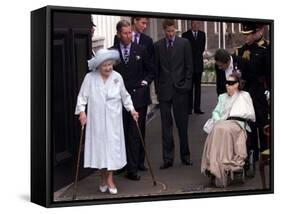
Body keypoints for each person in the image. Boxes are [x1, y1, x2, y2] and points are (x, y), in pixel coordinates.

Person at [75, 49, 139, 194]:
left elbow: (125, 96)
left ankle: (109, 179)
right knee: (99, 150)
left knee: (111, 149)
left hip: (113, 120)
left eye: (110, 64)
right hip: (96, 120)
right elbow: (82, 97)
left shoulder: (117, 77)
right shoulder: (89, 78)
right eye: (105, 65)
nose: (108, 68)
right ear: (98, 66)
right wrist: (82, 112)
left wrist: (132, 110)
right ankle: (102, 177)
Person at [112, 20, 155, 180]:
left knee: (135, 133)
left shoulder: (141, 50)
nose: (128, 36)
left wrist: (144, 83)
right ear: (118, 34)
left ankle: (133, 167)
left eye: (130, 32)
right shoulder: (112, 52)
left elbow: (151, 71)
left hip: (138, 98)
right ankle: (121, 164)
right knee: (120, 132)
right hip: (118, 100)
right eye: (125, 33)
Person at [201, 73, 255, 187]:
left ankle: (223, 164)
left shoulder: (244, 95)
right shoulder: (222, 97)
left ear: (237, 85)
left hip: (238, 124)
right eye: (226, 83)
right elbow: (215, 112)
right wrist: (218, 119)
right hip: (223, 123)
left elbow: (250, 114)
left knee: (222, 129)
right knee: (218, 128)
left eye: (231, 83)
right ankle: (214, 164)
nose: (228, 85)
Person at [154, 19, 193, 169]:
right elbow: (156, 70)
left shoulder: (184, 44)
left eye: (173, 31)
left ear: (175, 30)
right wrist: (157, 90)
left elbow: (189, 66)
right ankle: (168, 159)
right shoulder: (157, 46)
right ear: (164, 30)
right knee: (166, 127)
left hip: (181, 90)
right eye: (168, 31)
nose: (170, 34)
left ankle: (185, 156)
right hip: (164, 91)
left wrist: (187, 85)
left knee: (182, 125)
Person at [233, 22, 270, 159]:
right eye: (245, 35)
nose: (246, 38)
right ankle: (252, 154)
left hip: (260, 91)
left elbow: (270, 71)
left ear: (255, 33)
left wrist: (270, 90)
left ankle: (265, 154)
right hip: (246, 92)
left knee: (263, 124)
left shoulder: (266, 48)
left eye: (249, 35)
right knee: (250, 124)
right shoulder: (240, 51)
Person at [182, 20, 206, 114]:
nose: (196, 25)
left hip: (198, 64)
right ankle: (189, 108)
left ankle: (197, 108)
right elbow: (185, 50)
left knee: (198, 87)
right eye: (194, 24)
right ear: (191, 24)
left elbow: (202, 48)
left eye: (197, 23)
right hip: (189, 65)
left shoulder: (202, 34)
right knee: (189, 87)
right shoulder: (185, 35)